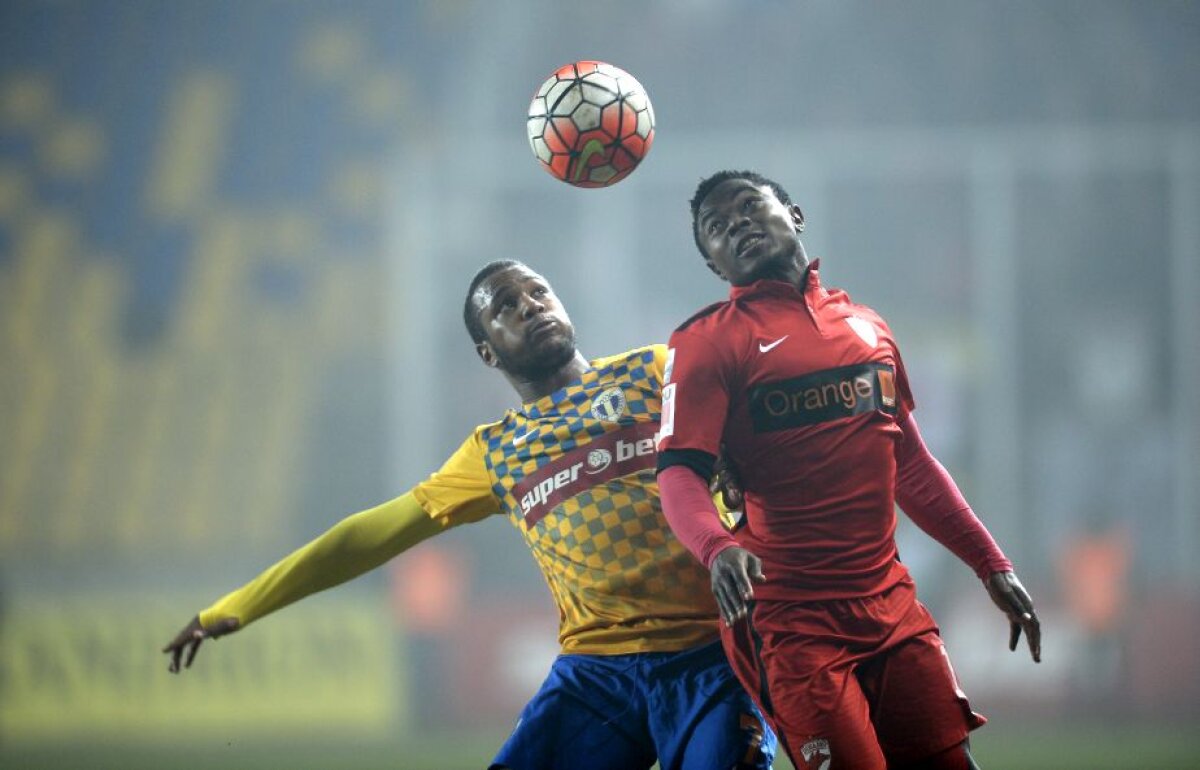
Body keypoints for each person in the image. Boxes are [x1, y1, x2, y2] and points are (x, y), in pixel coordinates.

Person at [162, 259, 776, 770]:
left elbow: (768, 428)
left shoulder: (656, 372)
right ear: (487, 352)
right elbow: (365, 538)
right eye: (506, 306)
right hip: (596, 675)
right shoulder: (493, 452)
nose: (532, 305)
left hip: (715, 654)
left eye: (540, 292)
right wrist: (235, 605)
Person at [654, 170, 1041, 770]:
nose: (738, 225)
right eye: (718, 228)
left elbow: (910, 464)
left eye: (750, 207)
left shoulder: (867, 326)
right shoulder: (706, 342)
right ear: (713, 265)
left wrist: (990, 562)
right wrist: (716, 547)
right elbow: (677, 473)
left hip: (890, 605)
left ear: (796, 214)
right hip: (790, 622)